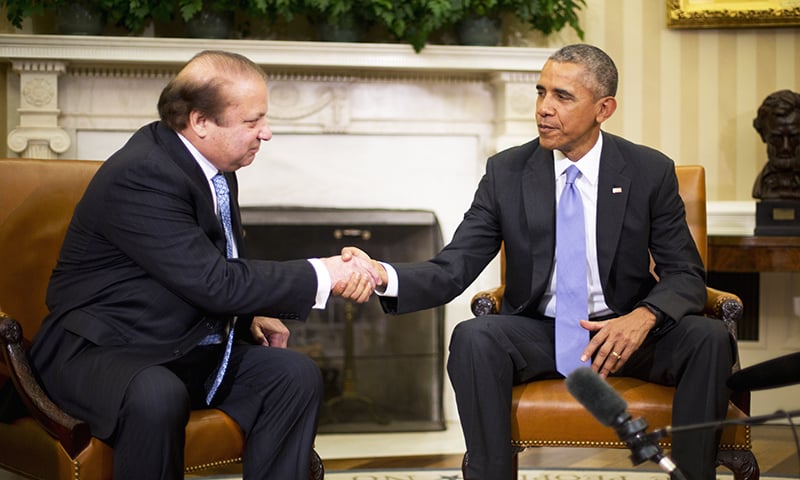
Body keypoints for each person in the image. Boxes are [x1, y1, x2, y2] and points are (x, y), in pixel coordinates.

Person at [353, 44, 735, 480]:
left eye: (562, 97)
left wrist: (643, 317)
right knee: (474, 337)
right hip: (542, 332)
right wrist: (385, 276)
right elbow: (453, 267)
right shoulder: (507, 172)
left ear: (603, 108)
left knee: (708, 338)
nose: (543, 109)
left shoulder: (648, 171)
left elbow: (684, 272)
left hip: (626, 333)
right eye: (540, 92)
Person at [26, 50, 380, 480]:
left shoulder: (212, 166)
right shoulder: (143, 173)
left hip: (177, 340)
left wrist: (249, 314)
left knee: (294, 374)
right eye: (252, 122)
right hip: (103, 350)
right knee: (158, 394)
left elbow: (211, 261)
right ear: (200, 122)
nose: (265, 133)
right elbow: (213, 281)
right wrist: (325, 272)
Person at [751, 89, 800, 199]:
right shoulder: (762, 185)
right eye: (777, 139)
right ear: (763, 135)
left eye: (794, 138)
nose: (786, 147)